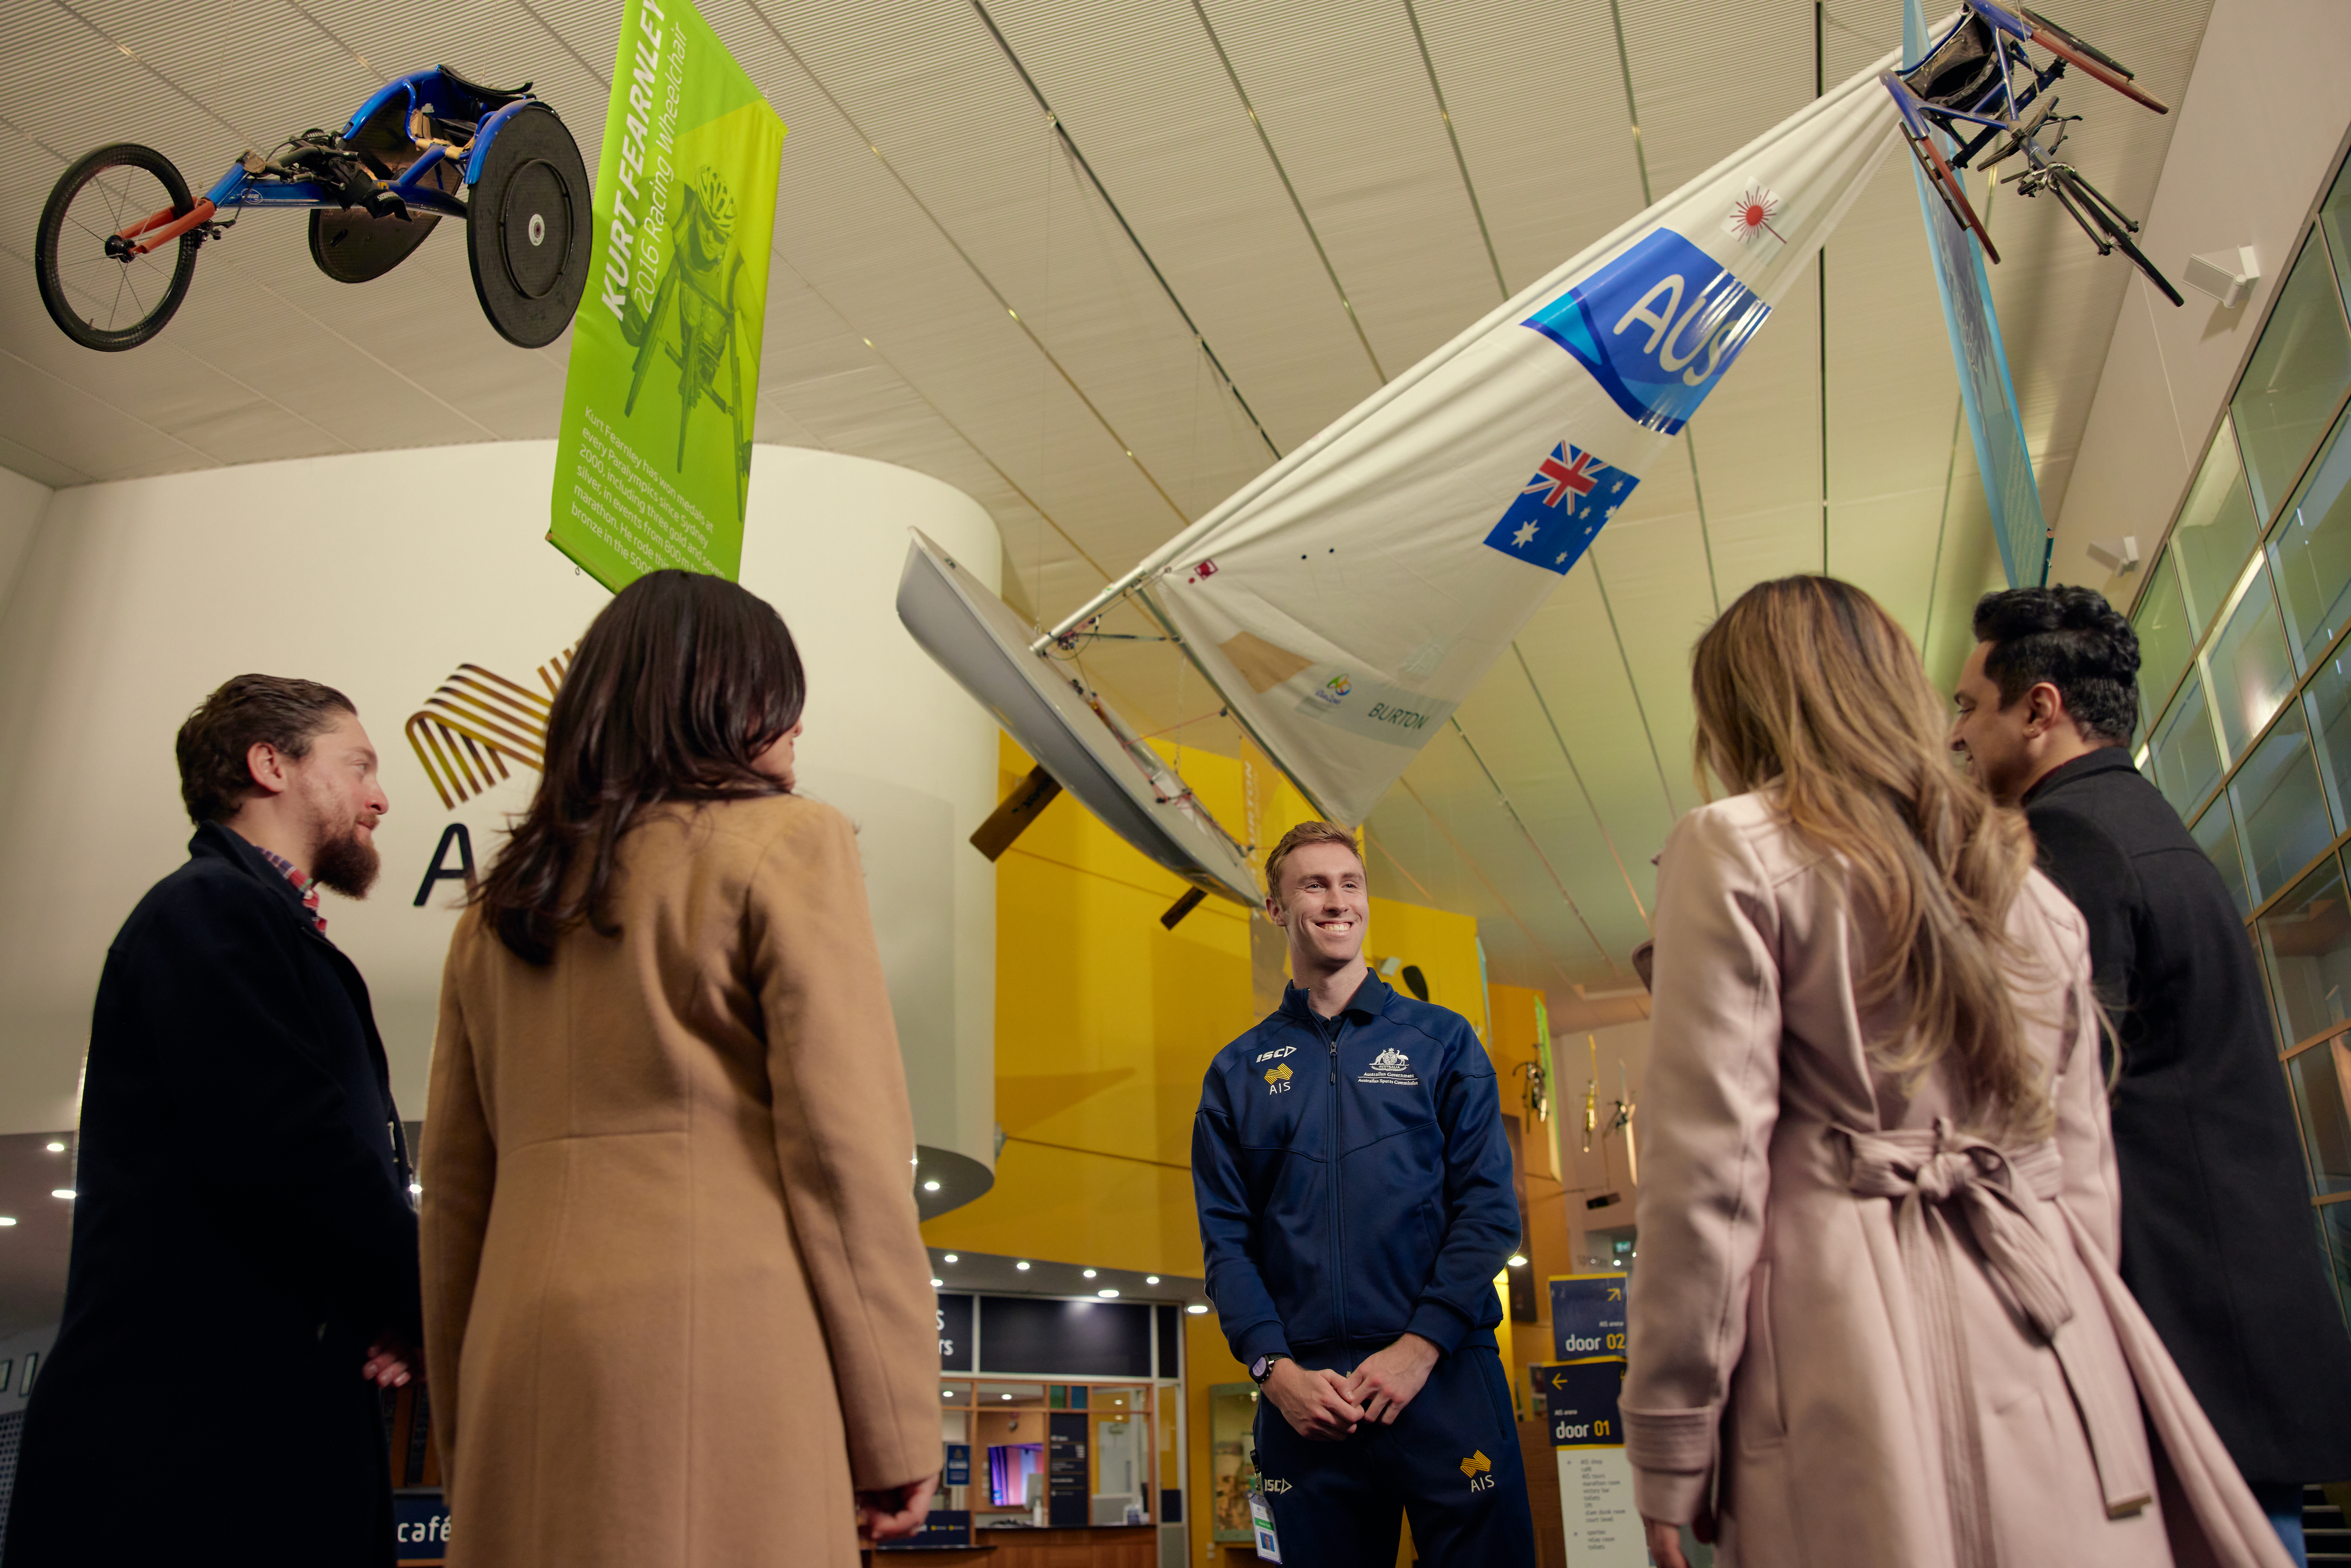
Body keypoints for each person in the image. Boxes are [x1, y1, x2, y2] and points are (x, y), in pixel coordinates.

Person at [1625, 575, 2293, 1568]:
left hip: (1844, 1349)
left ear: (1739, 709)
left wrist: (1670, 1439)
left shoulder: (1734, 849)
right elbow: (2080, 1183)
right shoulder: (2019, 878)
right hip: (2046, 1340)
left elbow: (1707, 1181)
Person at [419, 570, 941, 1568]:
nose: (796, 738)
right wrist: (895, 1423)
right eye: (785, 707)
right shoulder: (788, 841)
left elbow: (452, 1205)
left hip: (519, 1366)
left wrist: (466, 1430)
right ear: (732, 703)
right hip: (727, 1353)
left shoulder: (495, 912)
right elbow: (845, 1159)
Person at [1954, 585, 2351, 1562]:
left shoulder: (2069, 847)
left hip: (2182, 1340)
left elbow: (2051, 1108)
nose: (1956, 734)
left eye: (1969, 706)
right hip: (2237, 1331)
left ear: (2040, 710)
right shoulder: (2147, 824)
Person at [5, 676, 422, 1568]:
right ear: (271, 764)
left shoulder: (257, 925)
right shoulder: (211, 912)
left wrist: (378, 1305)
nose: (381, 797)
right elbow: (289, 1147)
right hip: (193, 1464)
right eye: (360, 767)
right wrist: (429, 1292)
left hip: (248, 1442)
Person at [1192, 821, 1534, 1567]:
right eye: (1314, 885)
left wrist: (1418, 1349)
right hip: (1305, 1399)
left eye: (1351, 884)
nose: (1337, 900)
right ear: (1278, 912)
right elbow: (1226, 1245)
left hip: (1444, 1378)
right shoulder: (1237, 1073)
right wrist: (1275, 1373)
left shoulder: (1443, 1042)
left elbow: (1490, 1211)